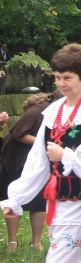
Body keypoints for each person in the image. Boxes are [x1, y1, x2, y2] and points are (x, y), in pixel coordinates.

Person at [0, 43, 81, 262]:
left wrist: (66, 156)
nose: (61, 84)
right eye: (57, 77)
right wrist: (16, 199)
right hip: (60, 199)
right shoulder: (55, 109)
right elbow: (38, 161)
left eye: (67, 78)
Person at [0, 93, 53, 252]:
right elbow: (18, 133)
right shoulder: (37, 111)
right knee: (14, 199)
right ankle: (12, 243)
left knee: (39, 201)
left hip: (39, 163)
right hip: (17, 162)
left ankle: (36, 242)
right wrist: (43, 142)